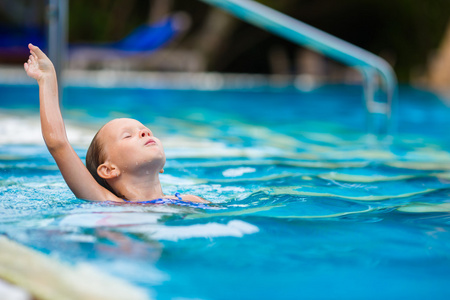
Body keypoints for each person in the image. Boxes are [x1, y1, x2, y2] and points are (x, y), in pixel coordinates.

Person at [24, 43, 209, 204]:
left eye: (146, 131)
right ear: (109, 169)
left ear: (161, 167)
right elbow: (58, 144)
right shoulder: (108, 203)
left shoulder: (189, 201)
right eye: (128, 135)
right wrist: (47, 80)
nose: (145, 133)